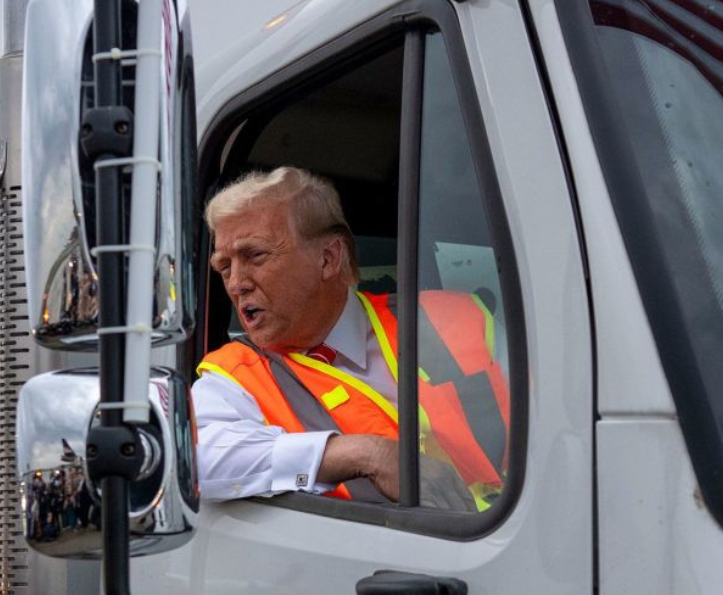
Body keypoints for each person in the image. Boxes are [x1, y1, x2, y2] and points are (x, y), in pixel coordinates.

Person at [192, 167, 508, 510]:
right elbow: (196, 460)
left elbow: (562, 425)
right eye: (224, 267)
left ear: (328, 258)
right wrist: (362, 454)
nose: (236, 283)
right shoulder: (234, 375)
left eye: (255, 256)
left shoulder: (457, 319)